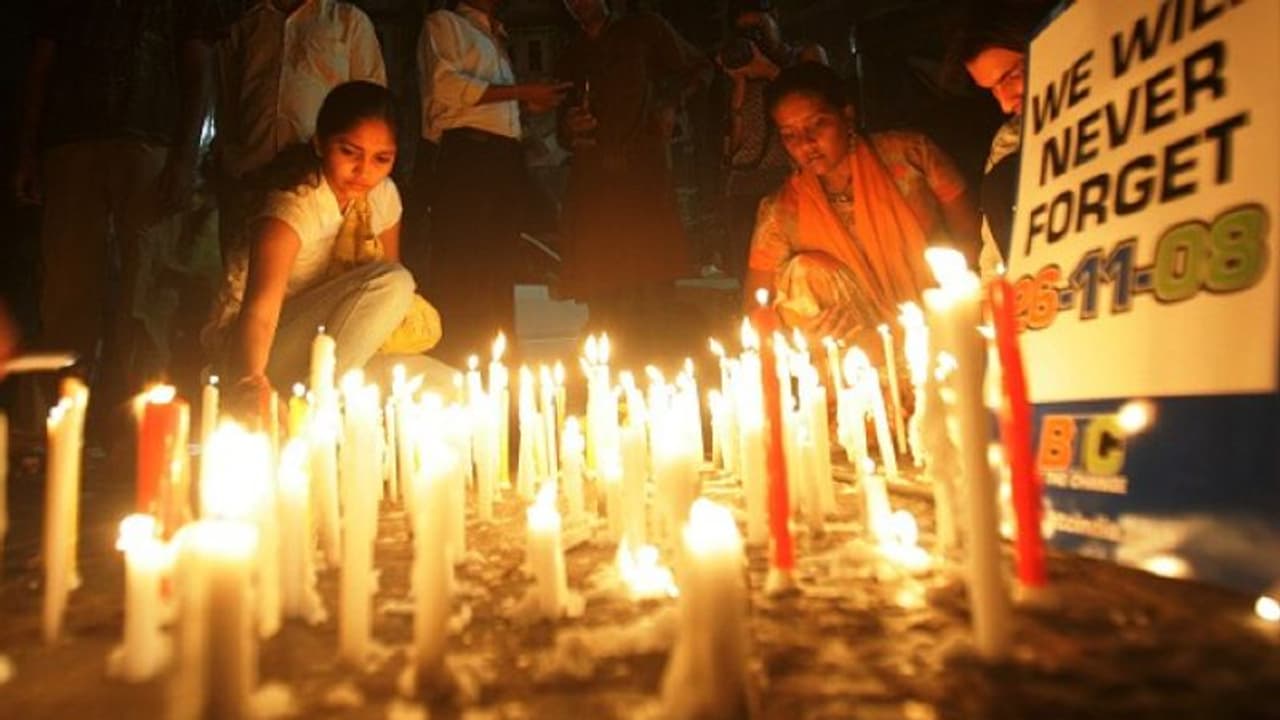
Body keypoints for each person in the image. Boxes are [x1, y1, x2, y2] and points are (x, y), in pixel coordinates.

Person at [13, 0, 223, 431]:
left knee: (147, 294)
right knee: (69, 290)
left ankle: (145, 425)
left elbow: (198, 63)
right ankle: (62, 424)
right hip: (73, 139)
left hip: (151, 143)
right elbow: (43, 58)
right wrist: (28, 151)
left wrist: (185, 158)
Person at [204, 81, 446, 415]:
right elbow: (260, 312)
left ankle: (324, 398)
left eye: (381, 158)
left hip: (338, 347)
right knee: (397, 282)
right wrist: (250, 383)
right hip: (260, 351)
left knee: (443, 385)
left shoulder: (383, 196)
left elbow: (382, 304)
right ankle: (317, 411)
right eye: (349, 152)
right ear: (319, 143)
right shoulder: (292, 206)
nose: (364, 171)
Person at [745, 62, 979, 347]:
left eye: (818, 124)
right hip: (854, 351)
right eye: (790, 135)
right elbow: (756, 308)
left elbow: (972, 238)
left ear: (847, 115)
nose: (806, 143)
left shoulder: (912, 156)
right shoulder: (781, 210)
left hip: (940, 326)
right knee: (804, 271)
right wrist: (799, 335)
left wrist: (963, 308)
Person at [418, 0, 571, 365]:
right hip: (467, 157)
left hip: (503, 160)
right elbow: (446, 87)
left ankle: (497, 367)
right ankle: (459, 364)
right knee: (463, 270)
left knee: (500, 270)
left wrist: (524, 105)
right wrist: (521, 93)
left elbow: (489, 103)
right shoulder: (444, 23)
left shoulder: (496, 34)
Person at [557, 0, 712, 360]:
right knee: (603, 298)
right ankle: (610, 378)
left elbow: (699, 68)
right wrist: (569, 127)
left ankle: (662, 373)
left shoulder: (645, 29)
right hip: (595, 189)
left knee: (654, 289)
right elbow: (563, 123)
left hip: (644, 180)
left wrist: (670, 105)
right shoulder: (571, 54)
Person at [213, 0, 388, 261]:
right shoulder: (245, 26)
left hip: (319, 189)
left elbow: (373, 109)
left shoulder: (349, 23)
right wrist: (230, 163)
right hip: (251, 182)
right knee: (247, 273)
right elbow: (226, 106)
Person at [718, 0, 827, 280]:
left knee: (801, 271)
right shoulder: (736, 69)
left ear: (775, 18)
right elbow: (730, 145)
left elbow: (822, 105)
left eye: (758, 27)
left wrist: (770, 71)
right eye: (744, 32)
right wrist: (738, 84)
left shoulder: (804, 57)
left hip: (793, 180)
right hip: (744, 185)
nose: (754, 38)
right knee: (752, 275)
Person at [949, 9, 1045, 280]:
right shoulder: (1008, 144)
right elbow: (993, 255)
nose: (1004, 103)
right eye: (992, 89)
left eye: (1010, 76)